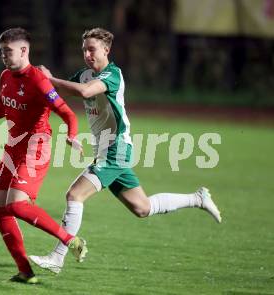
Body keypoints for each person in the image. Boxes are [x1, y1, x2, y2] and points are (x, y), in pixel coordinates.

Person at [29, 27, 222, 274]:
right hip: (106, 151)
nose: (87, 54)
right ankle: (198, 198)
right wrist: (42, 81)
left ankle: (58, 257)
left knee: (74, 195)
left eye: (92, 49)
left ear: (106, 50)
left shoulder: (113, 74)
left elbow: (85, 92)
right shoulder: (84, 74)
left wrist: (51, 79)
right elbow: (65, 90)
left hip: (115, 149)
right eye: (84, 50)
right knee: (142, 208)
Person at [0, 28, 87, 284]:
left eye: (8, 52)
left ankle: (71, 240)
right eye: (1, 52)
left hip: (36, 147)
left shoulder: (39, 81)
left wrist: (72, 135)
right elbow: (1, 108)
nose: (4, 57)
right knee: (0, 210)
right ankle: (25, 271)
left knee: (17, 205)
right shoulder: (5, 76)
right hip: (13, 147)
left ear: (24, 50)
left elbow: (68, 113)